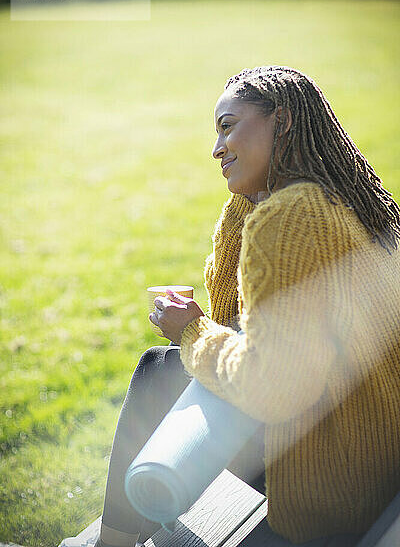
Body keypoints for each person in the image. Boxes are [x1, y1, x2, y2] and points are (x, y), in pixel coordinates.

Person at [60, 66, 400, 547]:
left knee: (161, 370)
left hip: (334, 490)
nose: (216, 148)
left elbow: (268, 387)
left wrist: (190, 332)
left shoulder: (291, 215)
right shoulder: (346, 198)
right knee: (168, 368)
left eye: (227, 126)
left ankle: (110, 544)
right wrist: (245, 204)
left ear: (281, 122)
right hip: (376, 461)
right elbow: (234, 323)